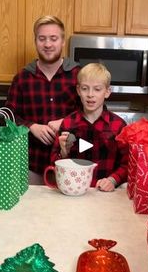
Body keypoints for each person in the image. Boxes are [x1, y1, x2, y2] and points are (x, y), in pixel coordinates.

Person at [5, 15, 81, 184]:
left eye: (53, 38)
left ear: (62, 41)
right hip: (31, 166)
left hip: (72, 165)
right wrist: (31, 127)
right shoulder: (22, 78)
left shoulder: (78, 75)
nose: (47, 44)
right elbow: (8, 117)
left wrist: (65, 122)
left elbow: (95, 114)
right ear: (36, 41)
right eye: (42, 39)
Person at [50, 63, 129, 192]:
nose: (90, 94)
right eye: (85, 88)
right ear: (78, 90)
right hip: (75, 192)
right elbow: (54, 163)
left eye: (97, 89)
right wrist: (63, 153)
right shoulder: (68, 123)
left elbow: (127, 164)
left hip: (105, 194)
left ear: (107, 92)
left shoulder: (119, 125)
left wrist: (112, 180)